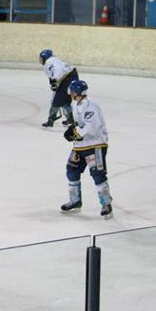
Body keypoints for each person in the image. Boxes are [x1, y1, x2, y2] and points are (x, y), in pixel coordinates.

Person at [61, 80, 113, 218]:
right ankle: (75, 200)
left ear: (77, 92)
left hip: (95, 145)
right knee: (71, 170)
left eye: (72, 91)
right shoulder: (76, 105)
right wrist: (72, 129)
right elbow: (80, 124)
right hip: (80, 146)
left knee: (98, 174)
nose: (70, 93)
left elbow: (91, 126)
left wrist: (75, 132)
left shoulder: (91, 106)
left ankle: (106, 203)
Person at [39, 49, 78, 127]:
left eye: (41, 58)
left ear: (45, 57)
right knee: (66, 101)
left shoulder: (49, 62)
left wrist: (54, 82)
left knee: (56, 101)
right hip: (72, 76)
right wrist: (53, 82)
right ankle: (70, 119)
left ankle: (51, 120)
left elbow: (58, 70)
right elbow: (52, 74)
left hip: (67, 80)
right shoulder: (54, 60)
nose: (40, 60)